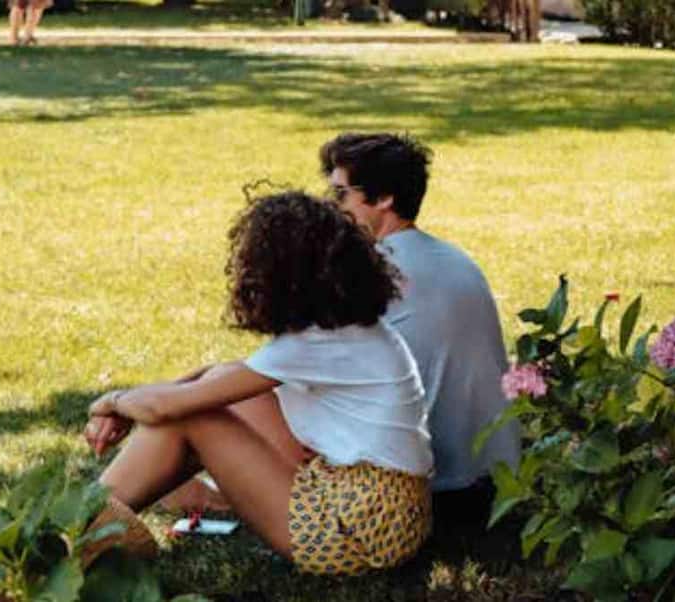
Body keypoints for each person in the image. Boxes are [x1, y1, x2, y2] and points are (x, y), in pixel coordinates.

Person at [82, 191, 433, 574]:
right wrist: (135, 403)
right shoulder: (347, 329)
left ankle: (79, 529)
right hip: (387, 513)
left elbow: (167, 407)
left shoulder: (314, 344)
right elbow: (221, 377)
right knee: (212, 395)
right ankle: (94, 518)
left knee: (192, 417)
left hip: (355, 531)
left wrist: (112, 402)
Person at [317, 133, 522, 531]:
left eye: (340, 195)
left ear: (384, 198)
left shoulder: (372, 271)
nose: (332, 207)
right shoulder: (455, 258)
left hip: (433, 494)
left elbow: (301, 376)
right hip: (500, 486)